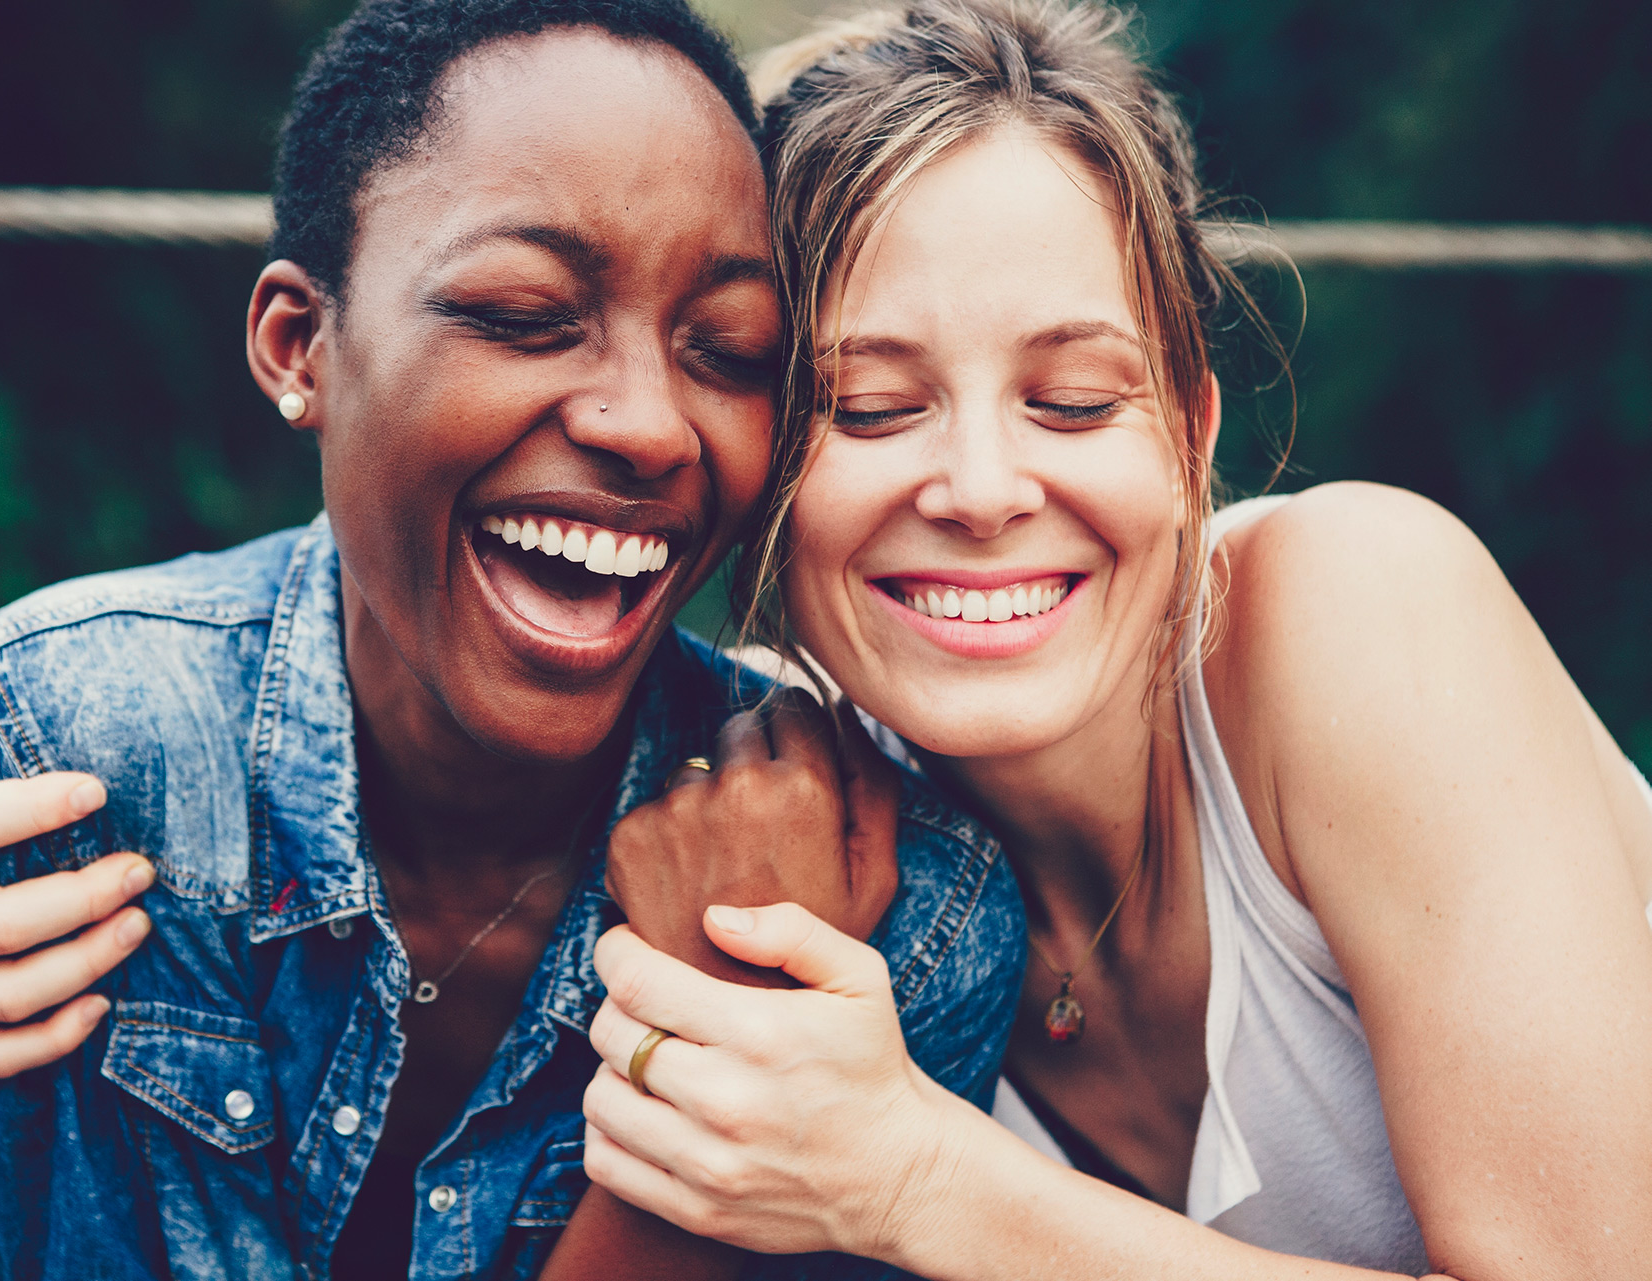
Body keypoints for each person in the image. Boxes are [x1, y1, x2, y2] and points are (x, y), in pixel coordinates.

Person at [0, 2, 1029, 1278]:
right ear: (299, 347)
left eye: (726, 349)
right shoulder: (92, 750)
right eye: (525, 314)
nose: (648, 424)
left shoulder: (902, 918)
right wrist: (708, 1066)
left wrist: (740, 1018)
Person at [574, 2, 1652, 1277]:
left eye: (1073, 402)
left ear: (1190, 434)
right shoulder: (788, 812)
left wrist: (918, 1180)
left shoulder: (1358, 602)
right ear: (760, 476)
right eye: (868, 409)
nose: (981, 489)